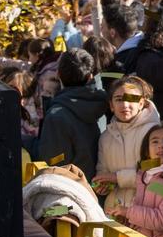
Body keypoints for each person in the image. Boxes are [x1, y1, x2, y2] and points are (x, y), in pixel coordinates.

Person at [35, 48, 109, 179]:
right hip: (104, 189)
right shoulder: (110, 105)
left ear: (58, 74)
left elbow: (54, 167)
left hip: (72, 192)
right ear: (90, 76)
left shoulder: (57, 116)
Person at [94, 75, 161, 209]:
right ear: (111, 106)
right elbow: (103, 172)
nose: (124, 105)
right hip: (115, 211)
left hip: (150, 210)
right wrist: (102, 184)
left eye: (131, 99)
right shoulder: (105, 138)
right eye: (118, 99)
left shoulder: (155, 133)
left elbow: (155, 171)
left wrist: (117, 178)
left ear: (141, 103)